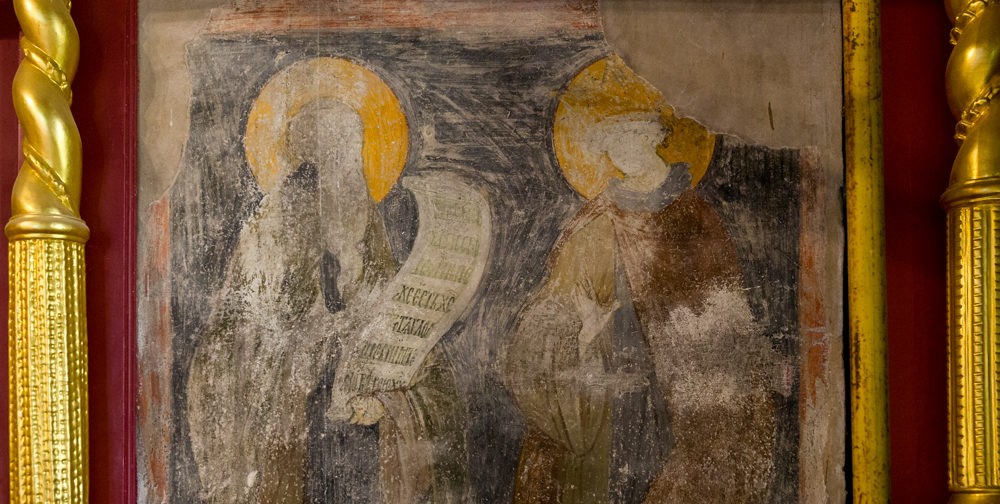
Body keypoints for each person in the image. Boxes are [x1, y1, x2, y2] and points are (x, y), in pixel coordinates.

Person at [504, 56, 776, 503]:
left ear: (655, 134)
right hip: (608, 397)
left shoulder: (695, 218)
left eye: (630, 133)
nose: (622, 149)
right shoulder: (592, 220)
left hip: (683, 394)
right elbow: (555, 302)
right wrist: (579, 333)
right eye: (610, 141)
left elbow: (724, 312)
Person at [186, 97, 467, 503]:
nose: (348, 172)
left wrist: (389, 393)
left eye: (352, 156)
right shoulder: (272, 227)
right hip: (297, 427)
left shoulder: (365, 222)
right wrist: (316, 339)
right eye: (333, 156)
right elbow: (240, 342)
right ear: (306, 161)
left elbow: (394, 316)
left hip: (361, 434)